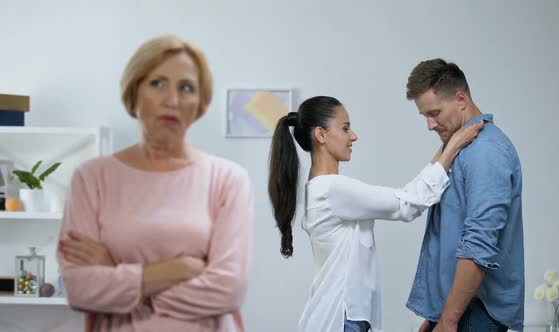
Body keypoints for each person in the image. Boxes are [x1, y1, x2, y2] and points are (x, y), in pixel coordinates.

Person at [57, 35, 254, 332]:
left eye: (186, 87)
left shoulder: (228, 180)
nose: (172, 100)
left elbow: (229, 289)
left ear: (199, 103)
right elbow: (79, 288)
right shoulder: (91, 178)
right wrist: (179, 270)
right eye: (157, 83)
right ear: (134, 93)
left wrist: (116, 275)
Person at [267, 96, 482, 332]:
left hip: (340, 318)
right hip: (339, 319)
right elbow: (408, 205)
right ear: (321, 135)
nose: (353, 136)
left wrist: (445, 149)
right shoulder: (333, 189)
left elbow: (409, 195)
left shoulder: (322, 188)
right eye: (345, 128)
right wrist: (453, 146)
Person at [404, 59, 524, 332]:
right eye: (425, 116)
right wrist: (436, 316)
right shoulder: (462, 148)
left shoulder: (486, 151)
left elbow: (479, 243)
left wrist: (448, 319)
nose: (430, 125)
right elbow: (450, 235)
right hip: (460, 311)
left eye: (434, 113)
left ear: (460, 99)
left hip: (474, 313)